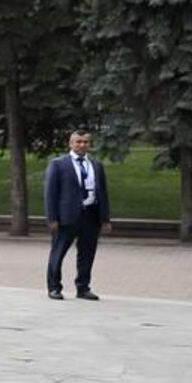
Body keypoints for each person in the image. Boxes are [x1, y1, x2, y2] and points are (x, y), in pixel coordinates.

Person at [45, 129, 112, 301]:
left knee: (87, 253)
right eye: (78, 142)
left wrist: (105, 219)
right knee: (58, 253)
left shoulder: (96, 166)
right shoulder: (59, 164)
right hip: (66, 217)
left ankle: (83, 287)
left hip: (90, 215)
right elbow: (50, 193)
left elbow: (102, 193)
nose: (82, 145)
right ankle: (54, 287)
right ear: (71, 143)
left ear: (90, 144)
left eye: (86, 142)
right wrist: (52, 218)